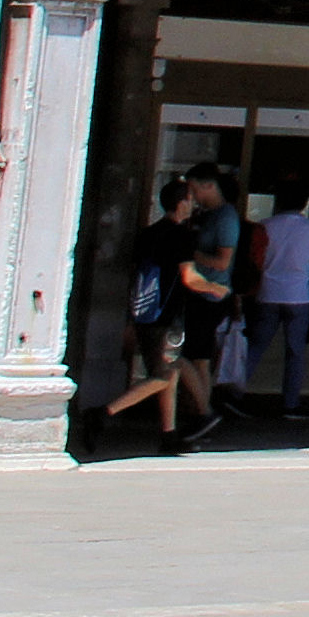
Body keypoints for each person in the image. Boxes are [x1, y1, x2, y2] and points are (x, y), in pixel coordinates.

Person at [99, 178, 228, 454]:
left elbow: (138, 274)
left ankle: (169, 435)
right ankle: (104, 414)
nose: (192, 204)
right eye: (190, 200)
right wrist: (215, 287)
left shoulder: (148, 233)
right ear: (182, 204)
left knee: (169, 373)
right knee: (162, 375)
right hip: (167, 317)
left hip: (144, 312)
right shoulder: (181, 236)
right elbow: (189, 277)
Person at [246, 190, 309, 421]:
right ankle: (291, 404)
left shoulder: (265, 226)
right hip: (299, 296)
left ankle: (234, 392)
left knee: (256, 346)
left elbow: (253, 258)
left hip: (268, 293)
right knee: (295, 352)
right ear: (304, 204)